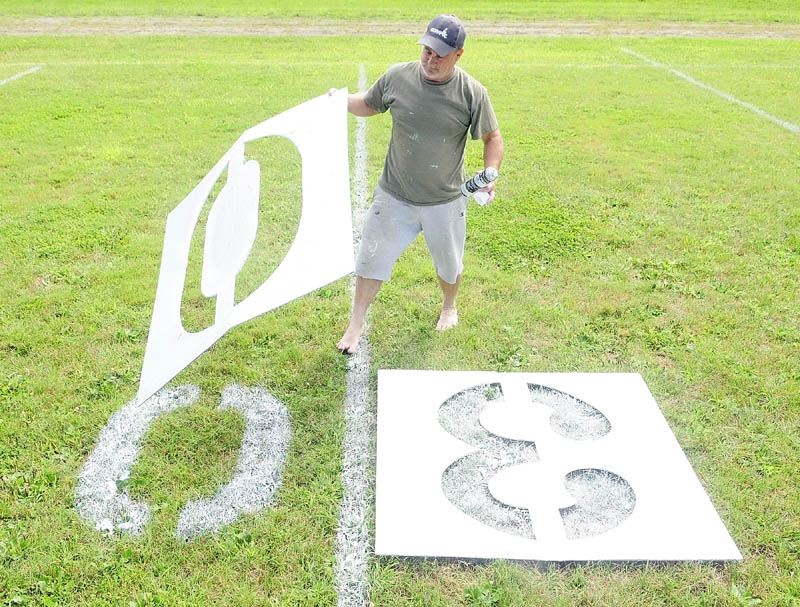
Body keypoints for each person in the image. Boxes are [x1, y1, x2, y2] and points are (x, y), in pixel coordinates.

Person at [333, 14, 504, 354]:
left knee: (449, 266)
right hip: (394, 193)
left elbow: (492, 138)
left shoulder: (472, 93)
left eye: (440, 54)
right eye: (427, 50)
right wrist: (338, 100)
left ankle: (449, 306)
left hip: (445, 200)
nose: (431, 59)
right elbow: (368, 104)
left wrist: (490, 172)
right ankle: (356, 322)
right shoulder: (398, 76)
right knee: (370, 259)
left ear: (459, 54)